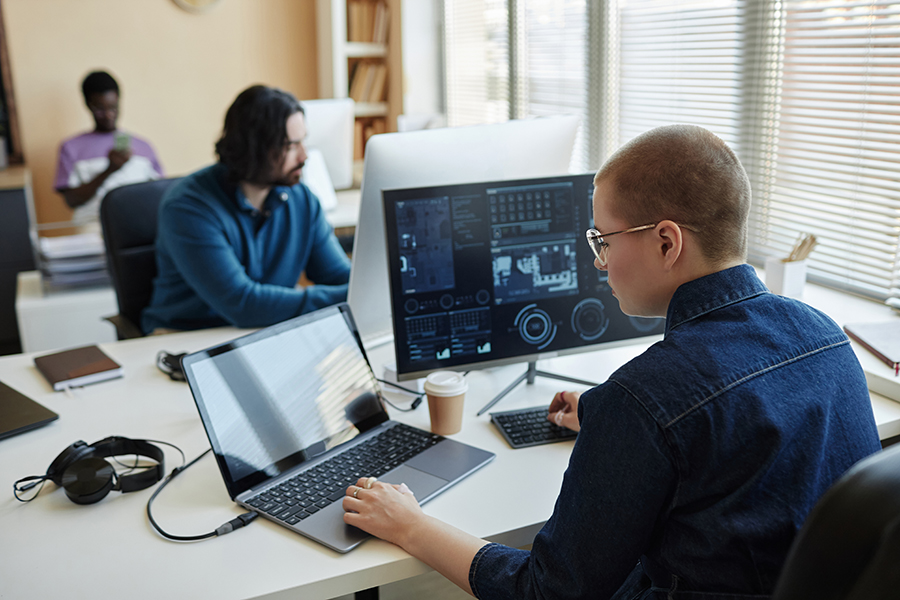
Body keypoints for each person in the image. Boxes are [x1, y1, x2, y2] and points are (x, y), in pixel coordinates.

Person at [341, 125, 882, 599]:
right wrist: (616, 427)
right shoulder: (825, 335)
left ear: (667, 242)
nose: (598, 263)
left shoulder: (644, 399)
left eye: (602, 239)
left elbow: (547, 591)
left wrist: (411, 525)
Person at [141, 85, 350, 334]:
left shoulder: (303, 200)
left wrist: (377, 285)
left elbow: (338, 275)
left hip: (263, 333)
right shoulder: (188, 208)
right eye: (291, 146)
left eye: (303, 142)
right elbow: (242, 303)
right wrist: (352, 295)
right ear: (256, 148)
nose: (305, 156)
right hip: (186, 340)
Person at [54, 70, 164, 224]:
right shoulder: (71, 147)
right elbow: (72, 201)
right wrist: (109, 170)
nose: (108, 115)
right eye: (100, 109)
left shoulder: (143, 146)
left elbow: (159, 193)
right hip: (94, 225)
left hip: (140, 224)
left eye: (113, 107)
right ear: (88, 105)